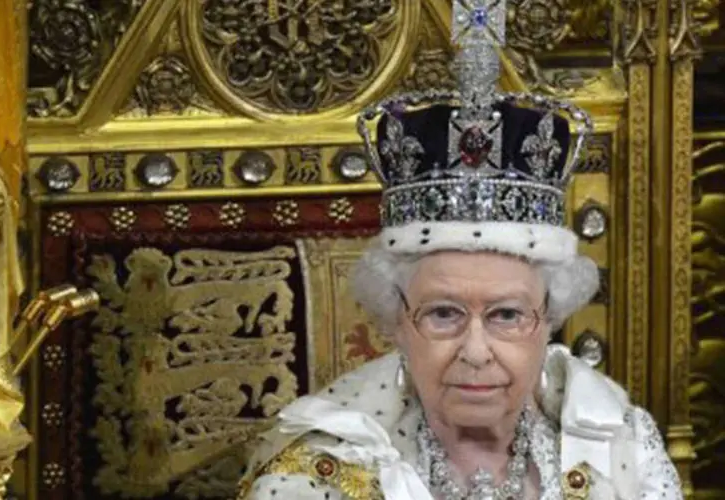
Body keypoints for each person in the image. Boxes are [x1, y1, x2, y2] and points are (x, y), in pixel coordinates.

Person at [237, 2, 682, 499]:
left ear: (550, 319)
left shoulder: (621, 451)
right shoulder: (318, 473)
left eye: (507, 315)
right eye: (444, 313)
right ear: (397, 323)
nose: (475, 352)